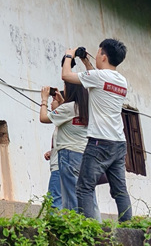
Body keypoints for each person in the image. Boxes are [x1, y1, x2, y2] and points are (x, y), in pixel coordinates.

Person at [62, 39, 132, 222]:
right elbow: (97, 77)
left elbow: (66, 76)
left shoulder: (98, 77)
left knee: (84, 187)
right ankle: (128, 229)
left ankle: (90, 231)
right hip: (119, 142)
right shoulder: (122, 81)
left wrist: (69, 54)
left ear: (103, 55)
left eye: (98, 51)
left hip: (99, 142)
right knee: (120, 191)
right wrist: (85, 60)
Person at [40, 83, 100, 218]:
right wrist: (61, 103)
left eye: (66, 87)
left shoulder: (68, 108)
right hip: (86, 156)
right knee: (88, 195)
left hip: (69, 155)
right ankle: (96, 227)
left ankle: (74, 227)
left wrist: (44, 99)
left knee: (70, 196)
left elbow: (43, 118)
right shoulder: (89, 109)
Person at [43, 94, 62, 209]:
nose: (51, 103)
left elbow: (43, 117)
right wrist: (52, 151)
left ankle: (54, 225)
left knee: (54, 201)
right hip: (58, 164)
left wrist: (43, 100)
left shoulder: (64, 117)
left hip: (58, 167)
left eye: (54, 100)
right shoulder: (61, 124)